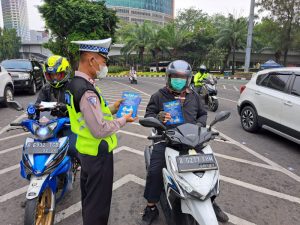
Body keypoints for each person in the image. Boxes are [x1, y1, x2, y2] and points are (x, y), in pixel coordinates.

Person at [141, 60, 229, 224]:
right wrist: (158, 117)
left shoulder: (194, 96)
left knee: (210, 170)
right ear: (168, 77)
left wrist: (199, 126)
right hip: (166, 140)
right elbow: (149, 115)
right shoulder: (159, 96)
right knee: (154, 172)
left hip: (193, 141)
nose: (178, 80)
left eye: (182, 77)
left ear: (188, 79)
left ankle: (210, 201)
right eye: (175, 77)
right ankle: (151, 207)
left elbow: (202, 114)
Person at [65, 38, 136, 225]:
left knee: (90, 200)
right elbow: (99, 129)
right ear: (92, 60)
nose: (105, 66)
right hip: (98, 155)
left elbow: (91, 116)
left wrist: (113, 108)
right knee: (98, 206)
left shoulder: (75, 84)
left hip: (87, 152)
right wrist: (123, 120)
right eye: (104, 61)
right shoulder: (87, 91)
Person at [35, 55, 78, 160]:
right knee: (38, 149)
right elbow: (38, 104)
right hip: (50, 125)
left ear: (65, 73)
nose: (54, 78)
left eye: (58, 75)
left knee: (73, 149)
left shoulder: (73, 87)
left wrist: (63, 107)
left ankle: (79, 166)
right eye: (50, 75)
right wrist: (33, 111)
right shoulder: (46, 88)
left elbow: (78, 105)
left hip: (70, 124)